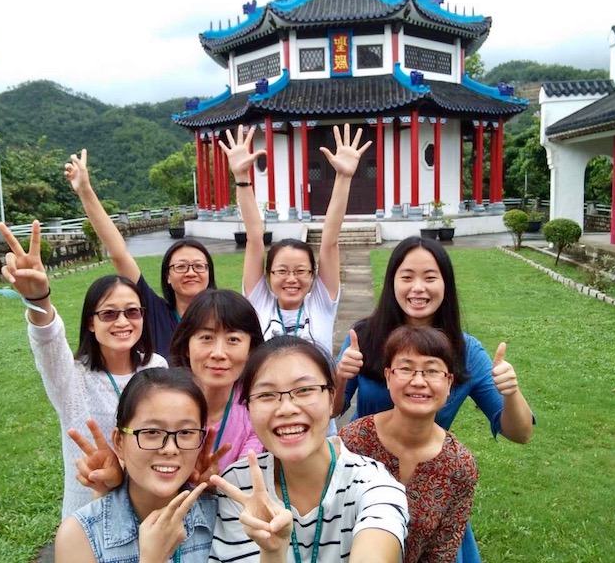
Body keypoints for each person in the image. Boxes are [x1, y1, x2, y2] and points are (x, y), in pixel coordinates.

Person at [334, 236, 534, 562]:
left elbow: (520, 432)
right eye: (407, 276)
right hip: (363, 485)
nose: (418, 288)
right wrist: (341, 377)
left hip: (433, 498)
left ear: (445, 283)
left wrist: (511, 393)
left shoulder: (467, 350)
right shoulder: (364, 337)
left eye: (430, 277)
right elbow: (330, 410)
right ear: (392, 282)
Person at [0, 221, 166, 519]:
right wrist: (40, 300)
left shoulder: (157, 366)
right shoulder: (72, 377)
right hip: (90, 516)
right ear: (91, 322)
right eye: (109, 314)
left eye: (132, 312)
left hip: (148, 510)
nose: (123, 322)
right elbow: (47, 340)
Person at [209, 335, 409, 563]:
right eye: (266, 395)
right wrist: (272, 554)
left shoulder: (372, 484)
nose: (286, 408)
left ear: (332, 396)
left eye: (304, 390)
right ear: (248, 407)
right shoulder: (239, 486)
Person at [220, 124, 371, 356]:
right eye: (282, 271)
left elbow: (329, 241)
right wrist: (241, 177)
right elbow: (254, 239)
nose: (292, 279)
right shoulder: (259, 302)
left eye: (301, 271)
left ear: (313, 275)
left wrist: (344, 177)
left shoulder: (321, 304)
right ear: (268, 274)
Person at [339, 326, 478, 563]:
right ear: (388, 376)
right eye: (405, 369)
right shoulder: (353, 442)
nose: (418, 381)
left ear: (449, 383)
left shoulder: (459, 466)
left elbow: (441, 554)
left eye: (432, 371)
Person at [66, 148, 217, 359]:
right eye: (181, 266)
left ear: (209, 272)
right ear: (168, 276)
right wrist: (85, 191)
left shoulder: (223, 315)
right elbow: (119, 254)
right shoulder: (155, 312)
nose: (191, 272)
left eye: (199, 266)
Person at [54, 367, 217, 562]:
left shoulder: (222, 516)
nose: (170, 449)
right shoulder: (80, 536)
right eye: (152, 432)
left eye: (186, 433)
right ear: (119, 441)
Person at [170, 289, 266, 471]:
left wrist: (213, 486)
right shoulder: (161, 403)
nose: (219, 353)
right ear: (186, 347)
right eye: (206, 338)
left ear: (251, 350)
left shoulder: (255, 413)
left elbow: (243, 484)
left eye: (233, 339)